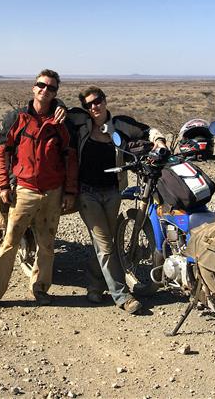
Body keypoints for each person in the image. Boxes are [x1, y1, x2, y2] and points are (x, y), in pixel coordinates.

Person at [0, 69, 78, 311]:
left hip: (53, 192)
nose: (45, 90)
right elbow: (2, 152)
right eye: (41, 85)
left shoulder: (61, 121)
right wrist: (3, 184)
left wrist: (70, 191)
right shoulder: (17, 117)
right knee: (10, 241)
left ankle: (41, 289)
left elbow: (71, 158)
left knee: (47, 245)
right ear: (33, 88)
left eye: (52, 88)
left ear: (56, 92)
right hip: (24, 190)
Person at [66, 86, 167, 314]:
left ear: (105, 100)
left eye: (98, 100)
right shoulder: (81, 124)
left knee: (108, 241)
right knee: (105, 243)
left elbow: (147, 130)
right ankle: (122, 296)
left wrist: (159, 141)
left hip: (113, 192)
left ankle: (95, 286)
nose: (95, 106)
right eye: (89, 104)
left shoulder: (120, 125)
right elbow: (58, 115)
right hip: (87, 193)